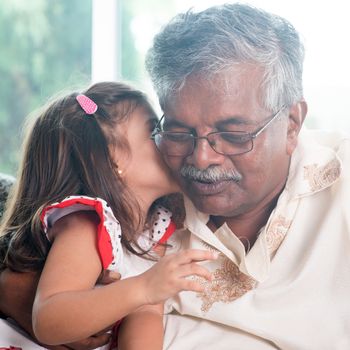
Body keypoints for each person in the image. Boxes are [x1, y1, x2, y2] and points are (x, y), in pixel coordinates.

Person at [2, 3, 350, 349]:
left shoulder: (340, 178)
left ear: (291, 124)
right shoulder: (139, 217)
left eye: (233, 134)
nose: (201, 158)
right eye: (178, 131)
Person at [0, 81, 216, 349]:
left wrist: (146, 293)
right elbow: (48, 319)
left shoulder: (153, 231)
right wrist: (143, 288)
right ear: (113, 159)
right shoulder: (87, 224)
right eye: (154, 130)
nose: (169, 139)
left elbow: (146, 312)